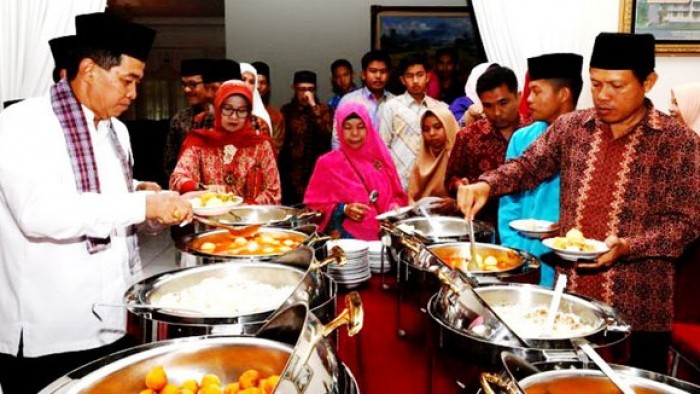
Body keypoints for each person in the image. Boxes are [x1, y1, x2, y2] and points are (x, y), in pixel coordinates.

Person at [457, 32, 700, 374]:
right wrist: (486, 185)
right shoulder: (574, 127)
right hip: (572, 298)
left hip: (641, 303)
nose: (603, 96)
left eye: (616, 86)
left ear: (648, 82)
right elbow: (527, 166)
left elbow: (686, 225)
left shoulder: (678, 143)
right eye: (596, 84)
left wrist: (629, 246)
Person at [0, 12, 193, 394]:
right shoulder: (23, 124)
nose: (134, 93)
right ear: (88, 70)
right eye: (128, 80)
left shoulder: (115, 129)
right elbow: (41, 213)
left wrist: (141, 193)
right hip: (49, 331)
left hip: (111, 317)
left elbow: (104, 196)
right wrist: (141, 206)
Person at [498, 53, 583, 288]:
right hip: (524, 254)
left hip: (571, 257)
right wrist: (514, 251)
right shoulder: (522, 137)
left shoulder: (588, 140)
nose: (528, 100)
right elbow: (509, 202)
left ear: (563, 94)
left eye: (536, 91)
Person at [445, 65, 530, 233]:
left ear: (518, 97)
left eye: (503, 103)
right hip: (482, 231)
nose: (497, 112)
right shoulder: (468, 137)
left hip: (527, 231)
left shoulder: (535, 134)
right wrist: (459, 186)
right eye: (488, 106)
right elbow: (450, 179)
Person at [304, 102, 407, 240]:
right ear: (339, 129)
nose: (354, 134)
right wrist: (344, 209)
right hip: (347, 245)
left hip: (384, 243)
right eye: (347, 128)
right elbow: (313, 207)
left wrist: (394, 207)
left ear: (369, 128)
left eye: (360, 127)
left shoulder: (379, 160)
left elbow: (397, 195)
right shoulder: (327, 163)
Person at [170, 81, 281, 205]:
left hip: (252, 220)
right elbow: (176, 180)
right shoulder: (200, 142)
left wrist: (244, 209)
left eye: (242, 111)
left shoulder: (260, 145)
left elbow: (274, 192)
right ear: (218, 107)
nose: (234, 117)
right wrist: (202, 189)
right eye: (227, 109)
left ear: (249, 113)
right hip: (209, 220)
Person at [379, 53, 448, 188]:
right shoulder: (391, 107)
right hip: (399, 180)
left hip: (431, 180)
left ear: (427, 77)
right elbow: (383, 146)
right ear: (402, 80)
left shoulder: (440, 108)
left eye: (420, 75)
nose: (415, 81)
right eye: (410, 76)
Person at [279, 70, 333, 206]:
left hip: (317, 173)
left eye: (310, 89)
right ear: (294, 89)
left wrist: (314, 107)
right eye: (302, 89)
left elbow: (328, 134)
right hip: (291, 177)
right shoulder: (286, 111)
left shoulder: (325, 110)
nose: (306, 94)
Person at [331, 50, 395, 149]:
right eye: (373, 71)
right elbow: (337, 139)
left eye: (383, 71)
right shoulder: (348, 101)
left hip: (386, 162)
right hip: (353, 162)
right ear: (363, 75)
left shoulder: (396, 103)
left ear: (388, 75)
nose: (378, 76)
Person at [163, 58, 212, 180]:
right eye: (184, 85)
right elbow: (170, 163)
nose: (187, 90)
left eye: (193, 84)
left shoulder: (224, 118)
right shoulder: (179, 119)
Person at [407, 106, 458, 212]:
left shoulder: (459, 155)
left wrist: (455, 203)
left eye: (437, 127)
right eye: (426, 129)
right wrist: (413, 206)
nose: (431, 133)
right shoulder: (422, 157)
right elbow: (410, 196)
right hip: (424, 218)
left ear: (449, 126)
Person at [193, 58, 242, 128]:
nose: (208, 95)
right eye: (206, 88)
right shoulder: (202, 120)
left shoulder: (256, 122)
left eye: (214, 88)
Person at [252, 61, 286, 155]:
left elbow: (276, 147)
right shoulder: (238, 112)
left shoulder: (275, 116)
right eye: (254, 82)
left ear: (268, 87)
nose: (258, 87)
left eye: (262, 82)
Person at [450, 62, 495, 126]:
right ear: (475, 81)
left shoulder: (501, 101)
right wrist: (469, 115)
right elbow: (455, 127)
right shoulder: (461, 104)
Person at [240, 62, 272, 137]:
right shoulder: (221, 111)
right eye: (243, 79)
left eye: (251, 82)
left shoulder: (260, 119)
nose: (246, 85)